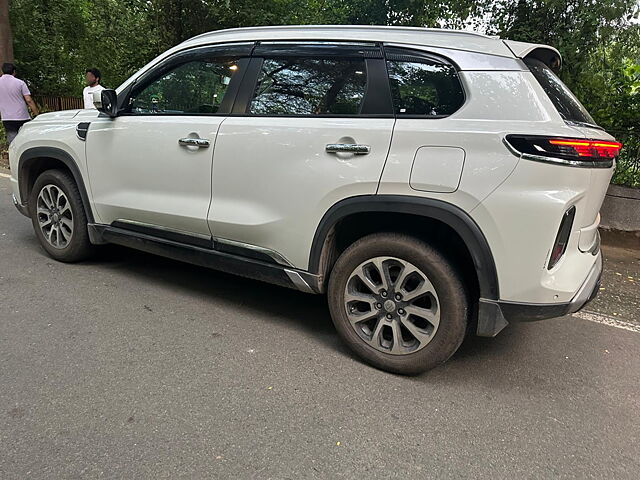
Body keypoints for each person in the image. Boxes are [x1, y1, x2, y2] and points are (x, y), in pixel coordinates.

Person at [0, 63, 39, 145]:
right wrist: (36, 114)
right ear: (14, 72)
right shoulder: (20, 83)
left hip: (7, 117)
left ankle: (14, 157)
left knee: (13, 142)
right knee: (25, 139)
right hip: (22, 116)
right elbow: (28, 100)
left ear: (2, 71)